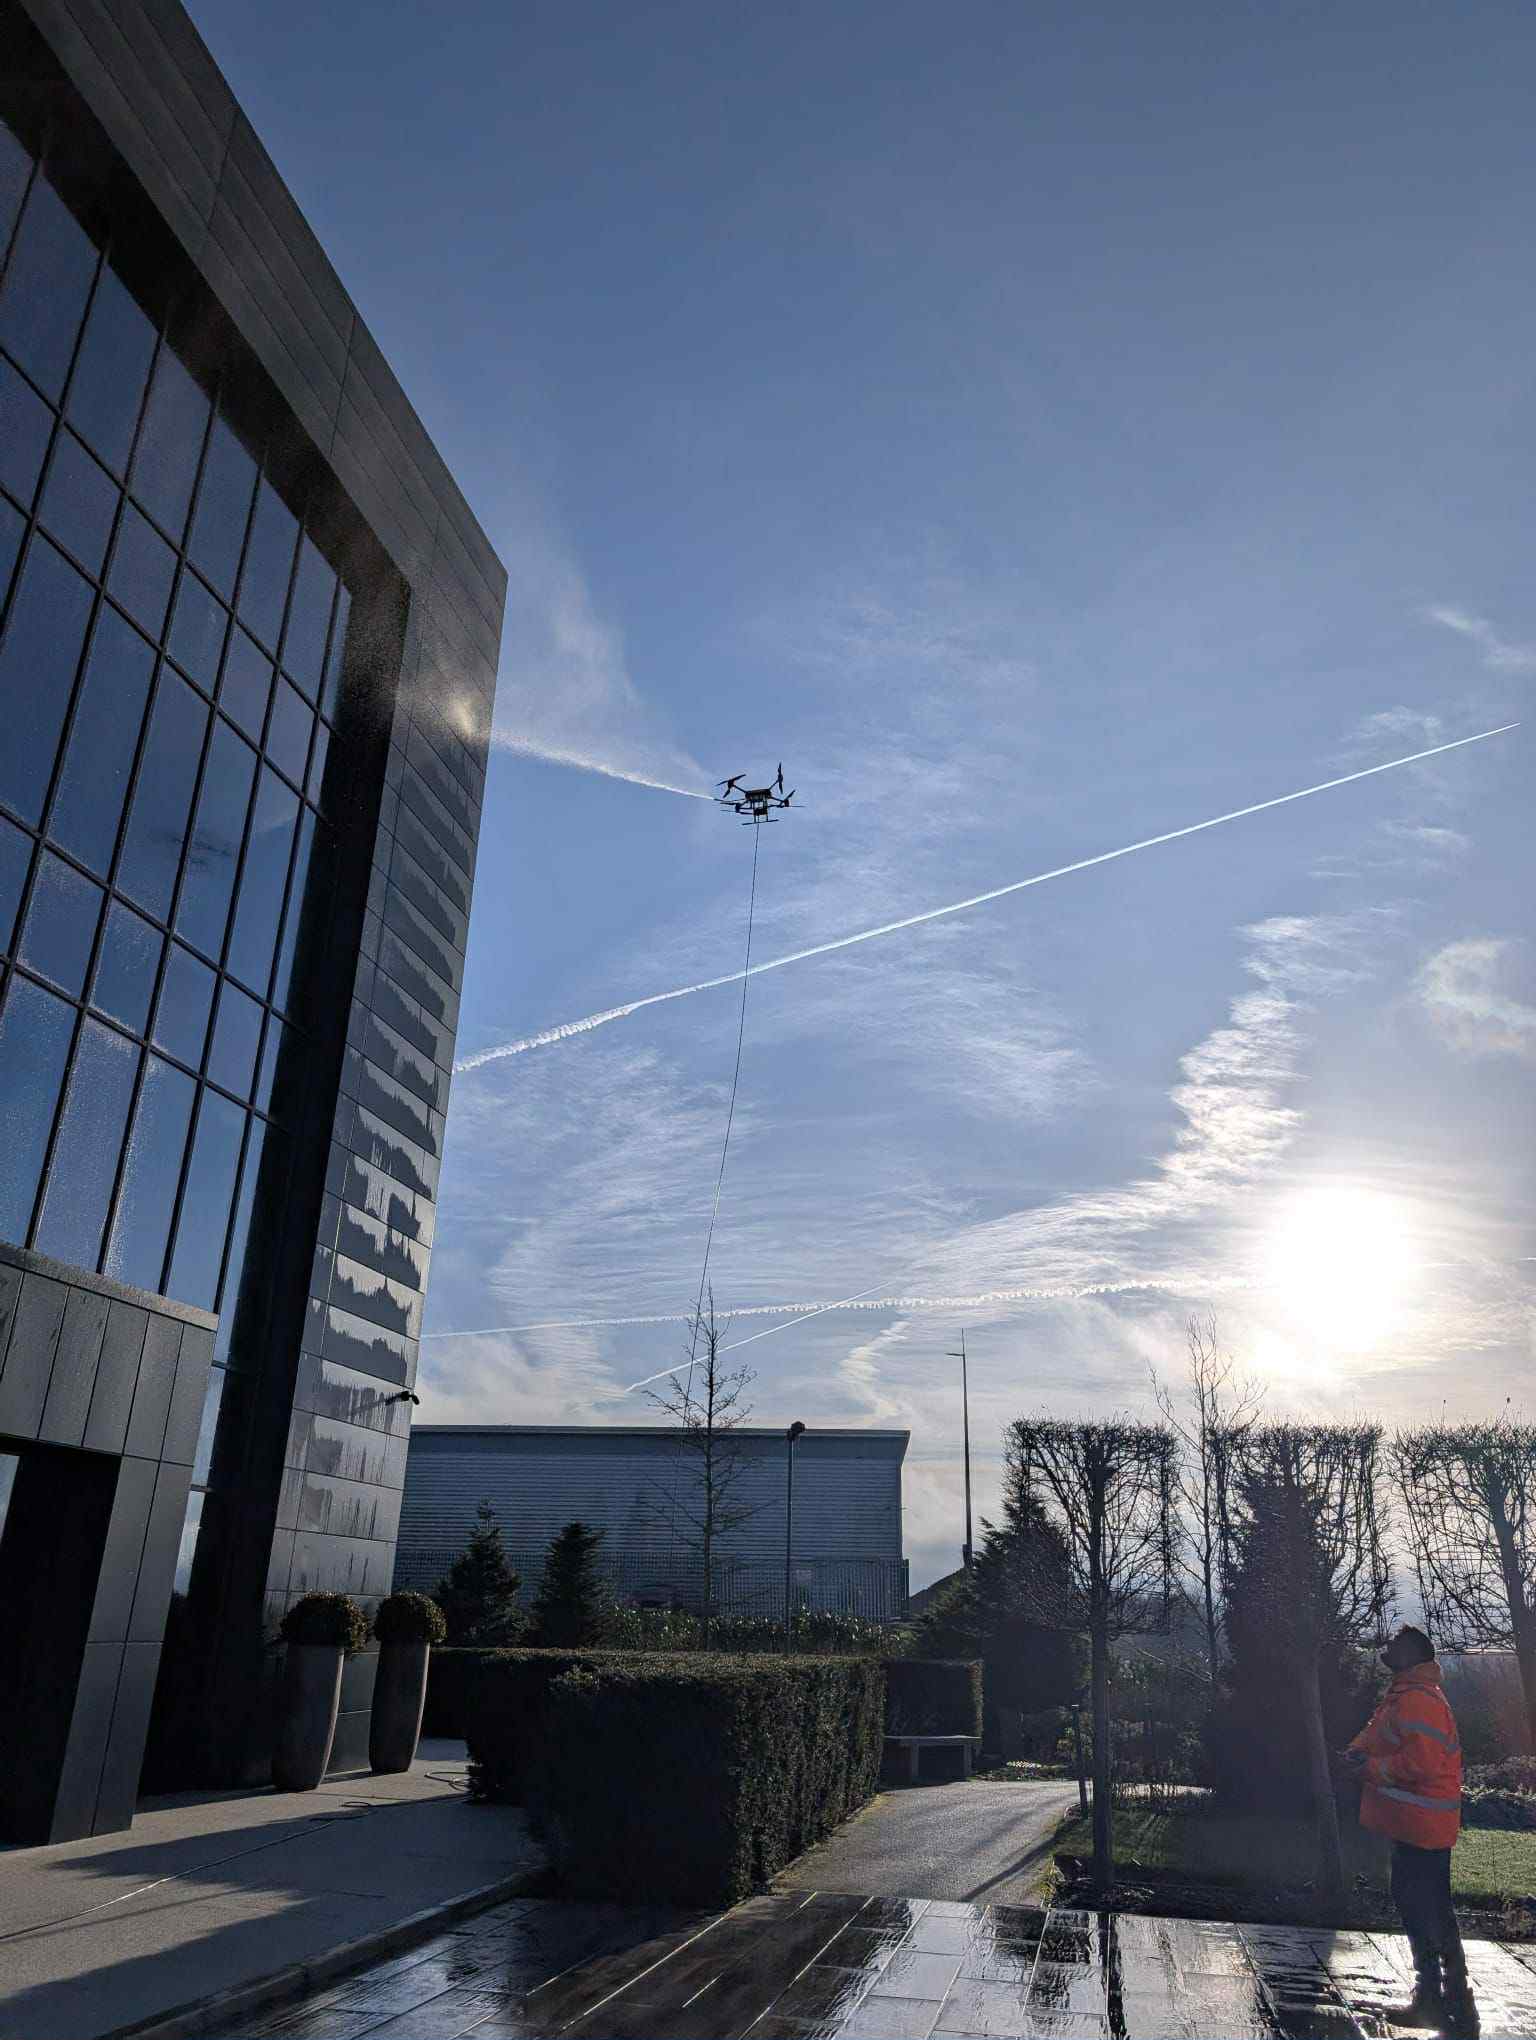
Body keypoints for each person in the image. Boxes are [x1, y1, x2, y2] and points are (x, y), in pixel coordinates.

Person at [1340, 1625, 1475, 2037]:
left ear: (1413, 1655)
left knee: (1424, 1908)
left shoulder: (1417, 1701)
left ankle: (1437, 1999)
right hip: (1420, 1824)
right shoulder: (1408, 1696)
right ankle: (1449, 1999)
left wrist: (1368, 1769)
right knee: (1430, 1908)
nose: (1388, 1649)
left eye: (1396, 1645)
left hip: (1423, 1825)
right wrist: (1356, 1754)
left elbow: (1420, 1763)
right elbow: (1384, 1740)